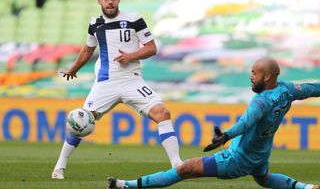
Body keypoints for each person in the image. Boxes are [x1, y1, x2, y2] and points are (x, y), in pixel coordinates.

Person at [107, 57, 320, 189]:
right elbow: (313, 88)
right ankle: (307, 188)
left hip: (239, 158)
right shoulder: (287, 90)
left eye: (254, 73)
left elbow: (245, 123)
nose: (250, 76)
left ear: (267, 76)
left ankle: (127, 186)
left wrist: (225, 136)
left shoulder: (261, 102)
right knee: (264, 179)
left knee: (185, 169)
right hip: (260, 153)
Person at [52, 0, 182, 179]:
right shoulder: (94, 24)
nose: (110, 2)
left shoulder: (134, 19)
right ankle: (59, 168)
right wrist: (73, 69)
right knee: (81, 121)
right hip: (106, 82)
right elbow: (88, 49)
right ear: (99, 1)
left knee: (162, 113)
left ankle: (177, 165)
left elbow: (151, 47)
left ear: (118, 0)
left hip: (132, 81)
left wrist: (131, 56)